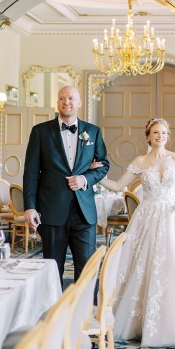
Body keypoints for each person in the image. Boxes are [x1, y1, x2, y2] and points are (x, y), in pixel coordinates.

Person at [95, 117, 175, 348]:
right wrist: (96, 174)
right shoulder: (140, 161)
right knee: (147, 267)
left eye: (163, 133)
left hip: (174, 218)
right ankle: (140, 323)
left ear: (167, 135)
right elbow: (116, 186)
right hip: (149, 219)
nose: (160, 137)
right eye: (156, 133)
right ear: (148, 136)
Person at [23, 85, 110, 286]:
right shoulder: (40, 132)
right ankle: (52, 315)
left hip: (84, 213)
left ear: (79, 103)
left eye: (71, 98)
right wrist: (30, 206)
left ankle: (84, 315)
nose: (66, 102)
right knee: (52, 270)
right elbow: (30, 173)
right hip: (51, 211)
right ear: (57, 103)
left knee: (87, 270)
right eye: (62, 98)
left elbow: (104, 164)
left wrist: (85, 178)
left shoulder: (93, 132)